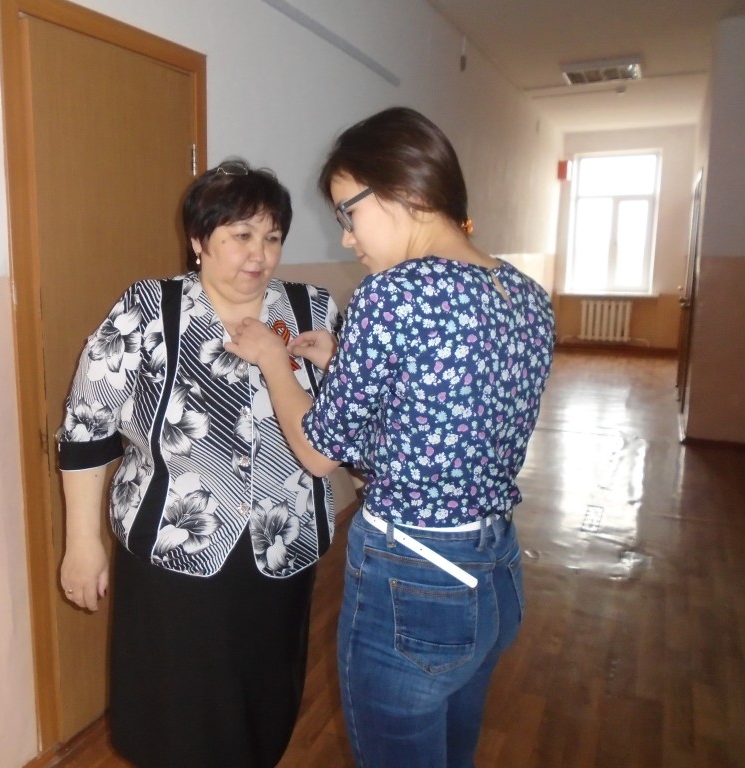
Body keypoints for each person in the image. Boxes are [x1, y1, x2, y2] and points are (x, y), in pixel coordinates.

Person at [225, 107, 556, 767]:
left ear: (405, 189)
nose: (349, 238)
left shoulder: (393, 294)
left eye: (349, 213)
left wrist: (271, 360)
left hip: (415, 579)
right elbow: (437, 431)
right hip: (494, 571)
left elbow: (317, 454)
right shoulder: (525, 295)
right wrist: (343, 366)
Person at [55, 159, 341, 768]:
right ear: (198, 240)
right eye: (241, 235)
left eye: (272, 237)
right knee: (175, 709)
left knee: (263, 700)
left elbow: (344, 423)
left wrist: (332, 365)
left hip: (283, 542)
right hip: (173, 549)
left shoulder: (311, 309)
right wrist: (81, 543)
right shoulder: (147, 309)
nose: (259, 254)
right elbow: (86, 427)